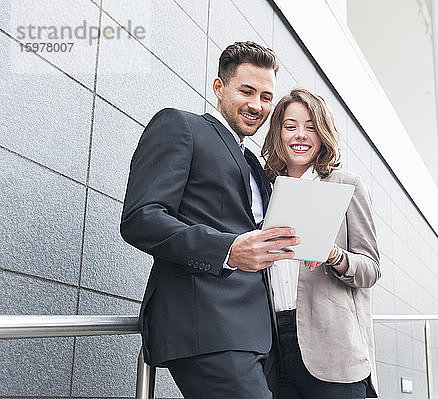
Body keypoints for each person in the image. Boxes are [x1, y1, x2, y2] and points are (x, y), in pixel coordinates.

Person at [120, 41, 298, 399]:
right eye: (246, 91)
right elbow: (141, 218)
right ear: (219, 88)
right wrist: (227, 250)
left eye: (266, 96)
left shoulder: (254, 164)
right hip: (207, 328)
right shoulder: (180, 126)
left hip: (260, 334)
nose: (256, 105)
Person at [261, 88, 381, 398]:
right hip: (274, 346)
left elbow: (370, 269)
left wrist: (333, 254)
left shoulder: (346, 184)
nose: (300, 135)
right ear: (278, 133)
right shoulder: (264, 190)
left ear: (322, 133)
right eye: (290, 126)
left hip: (333, 351)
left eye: (310, 126)